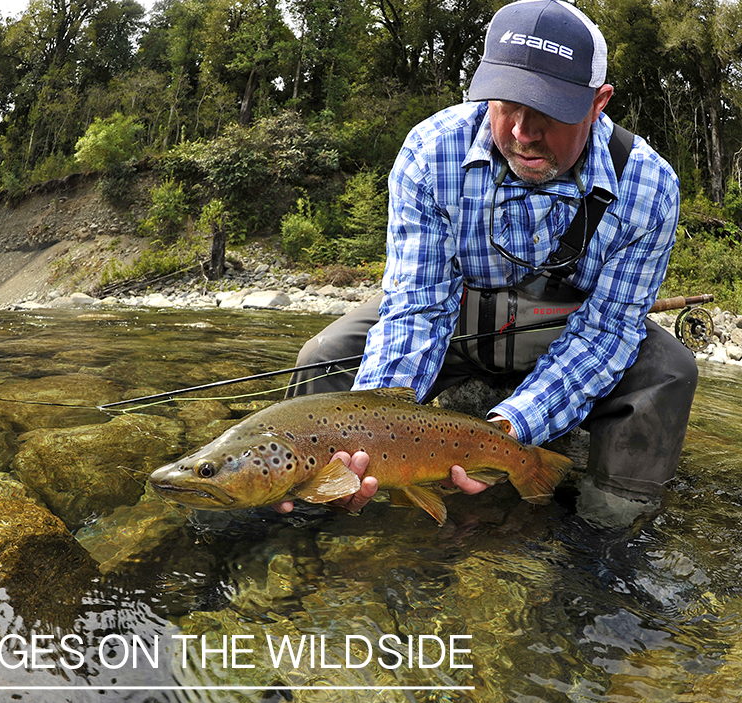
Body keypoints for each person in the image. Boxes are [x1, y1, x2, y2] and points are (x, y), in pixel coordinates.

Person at [276, 0, 698, 527]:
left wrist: (509, 430)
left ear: (598, 104)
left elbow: (607, 333)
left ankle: (607, 535)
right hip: (455, 323)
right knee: (327, 354)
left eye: (548, 109)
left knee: (668, 372)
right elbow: (417, 308)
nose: (523, 131)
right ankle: (296, 528)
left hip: (567, 330)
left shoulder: (649, 188)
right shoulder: (431, 154)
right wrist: (374, 434)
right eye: (507, 104)